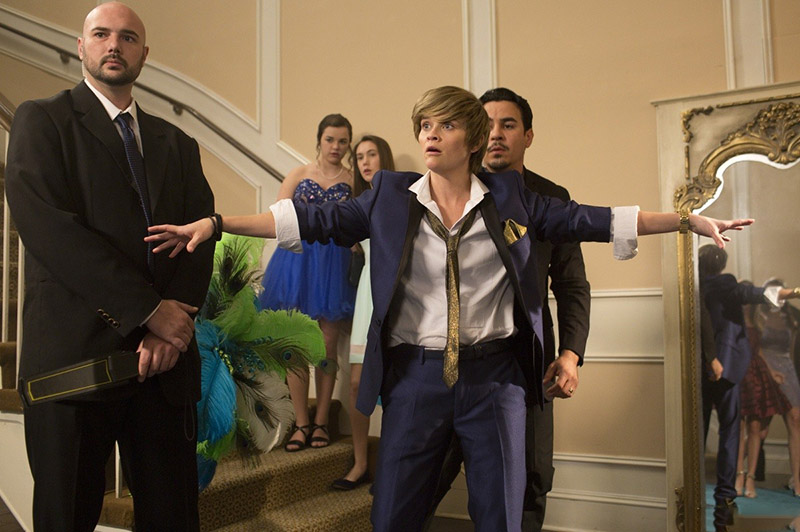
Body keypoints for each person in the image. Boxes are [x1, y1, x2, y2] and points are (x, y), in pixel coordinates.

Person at [147, 86, 753, 532]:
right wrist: (218, 223)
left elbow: (592, 219)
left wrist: (685, 221)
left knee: (501, 518)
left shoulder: (514, 199)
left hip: (497, 381)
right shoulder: (388, 197)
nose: (431, 135)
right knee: (393, 516)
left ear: (473, 138)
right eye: (424, 125)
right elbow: (310, 219)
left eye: (445, 125)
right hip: (414, 380)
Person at [4, 3, 216, 530]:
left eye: (127, 37)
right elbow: (52, 232)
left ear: (144, 54)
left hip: (162, 372)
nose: (114, 45)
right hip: (74, 368)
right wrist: (149, 312)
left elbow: (199, 236)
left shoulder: (178, 143)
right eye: (101, 34)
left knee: (173, 520)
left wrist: (172, 325)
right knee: (66, 519)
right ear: (82, 47)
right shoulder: (42, 120)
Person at [424, 87, 590, 531]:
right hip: (446, 364)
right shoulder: (447, 190)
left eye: (509, 125)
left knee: (529, 481)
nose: (496, 134)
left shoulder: (550, 197)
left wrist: (571, 353)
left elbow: (572, 284)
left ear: (528, 136)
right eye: (488, 125)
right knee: (423, 481)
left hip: (526, 364)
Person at [257, 114, 356, 451]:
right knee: (296, 346)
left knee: (327, 347)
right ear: (319, 140)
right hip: (297, 264)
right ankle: (301, 422)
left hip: (334, 267)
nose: (336, 147)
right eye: (330, 139)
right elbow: (278, 216)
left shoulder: (353, 180)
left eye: (342, 141)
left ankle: (322, 420)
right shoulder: (299, 174)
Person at [698, 246, 800, 531]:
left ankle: (702, 492)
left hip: (698, 368)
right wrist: (794, 292)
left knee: (698, 433)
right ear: (722, 264)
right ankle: (725, 497)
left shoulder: (693, 286)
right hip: (727, 368)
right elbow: (755, 293)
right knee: (731, 433)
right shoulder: (726, 283)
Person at [332, 135, 396, 490]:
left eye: (372, 154)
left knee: (395, 388)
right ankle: (359, 464)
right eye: (359, 157)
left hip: (395, 297)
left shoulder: (405, 198)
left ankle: (390, 468)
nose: (365, 162)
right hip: (366, 297)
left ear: (384, 158)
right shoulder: (357, 204)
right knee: (357, 383)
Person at [734, 289, 791, 499]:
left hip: (756, 376)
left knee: (756, 428)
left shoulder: (757, 323)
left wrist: (772, 372)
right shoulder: (733, 323)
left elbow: (759, 352)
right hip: (739, 375)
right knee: (738, 429)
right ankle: (739, 476)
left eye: (748, 301)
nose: (746, 304)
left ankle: (751, 477)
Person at [755, 279, 800, 497]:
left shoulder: (790, 316)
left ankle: (797, 481)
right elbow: (756, 347)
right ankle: (743, 474)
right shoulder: (759, 315)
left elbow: (792, 348)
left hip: (787, 369)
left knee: (796, 421)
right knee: (759, 429)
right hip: (766, 369)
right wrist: (768, 372)